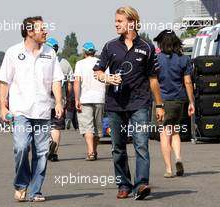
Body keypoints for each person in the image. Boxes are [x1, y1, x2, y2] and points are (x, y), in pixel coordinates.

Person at [93, 6, 165, 200]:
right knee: (118, 147)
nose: (116, 24)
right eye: (115, 21)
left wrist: (159, 105)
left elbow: (153, 79)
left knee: (141, 144)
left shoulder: (147, 47)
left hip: (140, 103)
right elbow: (97, 71)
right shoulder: (110, 47)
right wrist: (106, 79)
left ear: (132, 22)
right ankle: (124, 184)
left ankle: (141, 184)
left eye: (120, 21)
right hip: (115, 104)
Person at [0, 16, 64, 202]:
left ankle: (35, 191)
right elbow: (4, 81)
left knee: (41, 153)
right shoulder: (13, 52)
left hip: (43, 110)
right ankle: (21, 184)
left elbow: (56, 80)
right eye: (42, 28)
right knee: (21, 147)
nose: (46, 31)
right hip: (20, 112)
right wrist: (3, 106)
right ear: (29, 32)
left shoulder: (50, 53)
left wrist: (58, 102)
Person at [153, 30, 195, 178]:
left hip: (162, 101)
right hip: (179, 100)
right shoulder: (184, 59)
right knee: (175, 130)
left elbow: (153, 82)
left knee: (165, 134)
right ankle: (178, 158)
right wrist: (191, 102)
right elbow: (188, 82)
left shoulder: (156, 59)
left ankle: (169, 169)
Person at [74, 42, 105, 161]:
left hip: (85, 98)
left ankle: (91, 151)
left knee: (87, 126)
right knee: (97, 127)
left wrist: (76, 98)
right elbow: (106, 80)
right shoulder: (101, 63)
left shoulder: (80, 64)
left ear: (84, 52)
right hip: (100, 98)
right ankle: (94, 150)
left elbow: (77, 82)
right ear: (94, 52)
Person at [45, 37, 74, 161]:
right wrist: (67, 99)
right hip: (58, 101)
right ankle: (54, 153)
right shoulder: (64, 63)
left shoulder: (41, 60)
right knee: (56, 127)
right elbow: (69, 83)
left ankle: (46, 146)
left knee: (42, 126)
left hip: (42, 101)